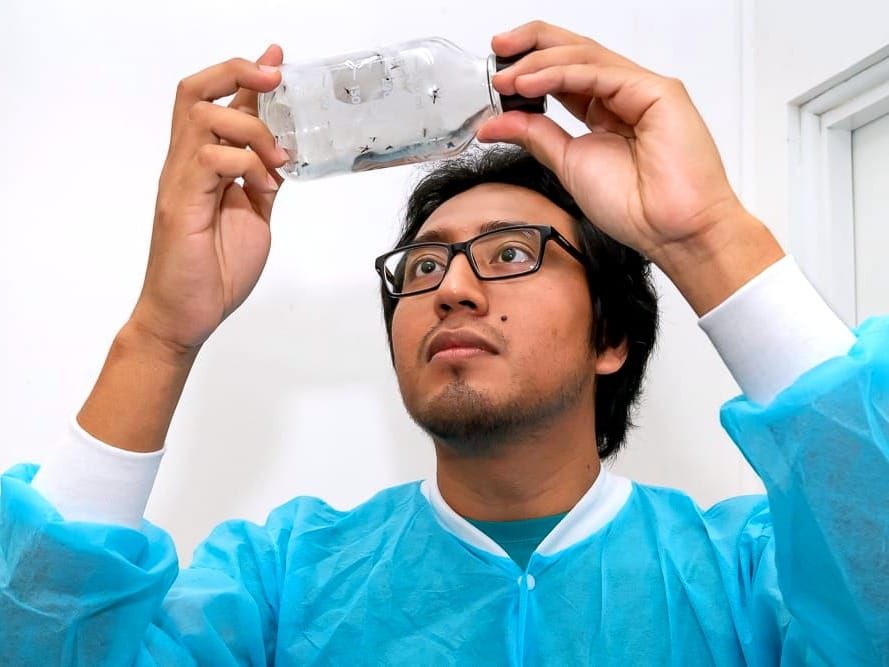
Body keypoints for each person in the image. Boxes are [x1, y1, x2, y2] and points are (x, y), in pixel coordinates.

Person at [1, 19, 886, 666]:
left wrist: (704, 234)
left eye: (510, 253)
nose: (451, 287)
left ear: (609, 336)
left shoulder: (746, 579)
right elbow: (39, 644)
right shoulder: (276, 586)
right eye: (420, 268)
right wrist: (160, 333)